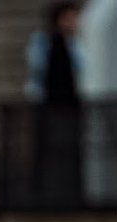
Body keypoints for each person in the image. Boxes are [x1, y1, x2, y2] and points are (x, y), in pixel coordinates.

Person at [25, 1, 84, 207]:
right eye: (69, 18)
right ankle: (45, 193)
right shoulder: (43, 42)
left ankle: (68, 192)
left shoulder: (75, 44)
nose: (74, 22)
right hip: (49, 104)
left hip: (70, 105)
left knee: (69, 150)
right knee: (49, 150)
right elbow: (37, 69)